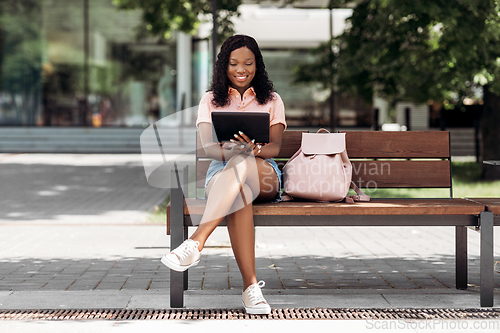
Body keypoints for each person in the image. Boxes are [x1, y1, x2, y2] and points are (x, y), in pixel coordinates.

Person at [161, 34, 286, 315]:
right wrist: (231, 151)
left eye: (248, 63)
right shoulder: (210, 100)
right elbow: (208, 148)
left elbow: (275, 146)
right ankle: (251, 289)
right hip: (222, 174)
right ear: (223, 66)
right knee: (239, 194)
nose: (241, 70)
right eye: (234, 63)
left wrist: (251, 150)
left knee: (243, 160)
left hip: (264, 174)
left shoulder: (272, 99)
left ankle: (196, 242)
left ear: (257, 65)